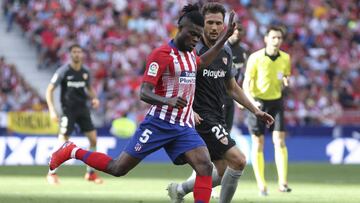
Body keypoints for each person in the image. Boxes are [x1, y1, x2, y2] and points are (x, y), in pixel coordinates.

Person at [48, 4, 236, 203]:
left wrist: (225, 37)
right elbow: (144, 92)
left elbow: (203, 62)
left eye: (199, 36)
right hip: (158, 124)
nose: (196, 39)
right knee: (117, 168)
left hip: (183, 126)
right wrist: (168, 100)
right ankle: (72, 150)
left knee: (205, 166)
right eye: (192, 34)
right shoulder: (161, 55)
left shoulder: (191, 55)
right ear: (180, 29)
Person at [167, 3, 274, 203]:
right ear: (201, 24)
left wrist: (255, 110)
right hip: (200, 117)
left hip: (218, 115)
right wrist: (187, 110)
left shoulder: (225, 51)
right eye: (210, 23)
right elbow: (175, 84)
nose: (215, 27)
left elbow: (232, 87)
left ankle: (179, 190)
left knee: (222, 170)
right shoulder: (192, 52)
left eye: (218, 23)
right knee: (239, 160)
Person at [242, 25, 292, 196]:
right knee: (258, 143)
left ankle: (283, 183)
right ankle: (262, 185)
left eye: (279, 38)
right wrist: (250, 101)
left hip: (276, 102)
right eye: (273, 37)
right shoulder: (255, 58)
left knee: (279, 140)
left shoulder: (285, 58)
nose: (277, 41)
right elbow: (246, 82)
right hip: (258, 104)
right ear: (266, 39)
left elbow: (285, 75)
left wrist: (286, 82)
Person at [46, 44, 102, 185]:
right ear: (70, 54)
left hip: (83, 109)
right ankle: (51, 173)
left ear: (82, 55)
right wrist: (52, 110)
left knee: (93, 140)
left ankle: (90, 173)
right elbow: (49, 90)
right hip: (68, 110)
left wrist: (94, 98)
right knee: (62, 141)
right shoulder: (63, 71)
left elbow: (89, 88)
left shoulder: (85, 72)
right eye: (74, 52)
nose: (77, 54)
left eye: (79, 52)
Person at [224, 22, 248, 132]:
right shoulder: (222, 48)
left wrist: (240, 98)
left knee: (227, 131)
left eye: (240, 29)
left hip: (231, 95)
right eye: (235, 29)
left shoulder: (243, 52)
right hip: (218, 96)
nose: (237, 32)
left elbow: (242, 75)